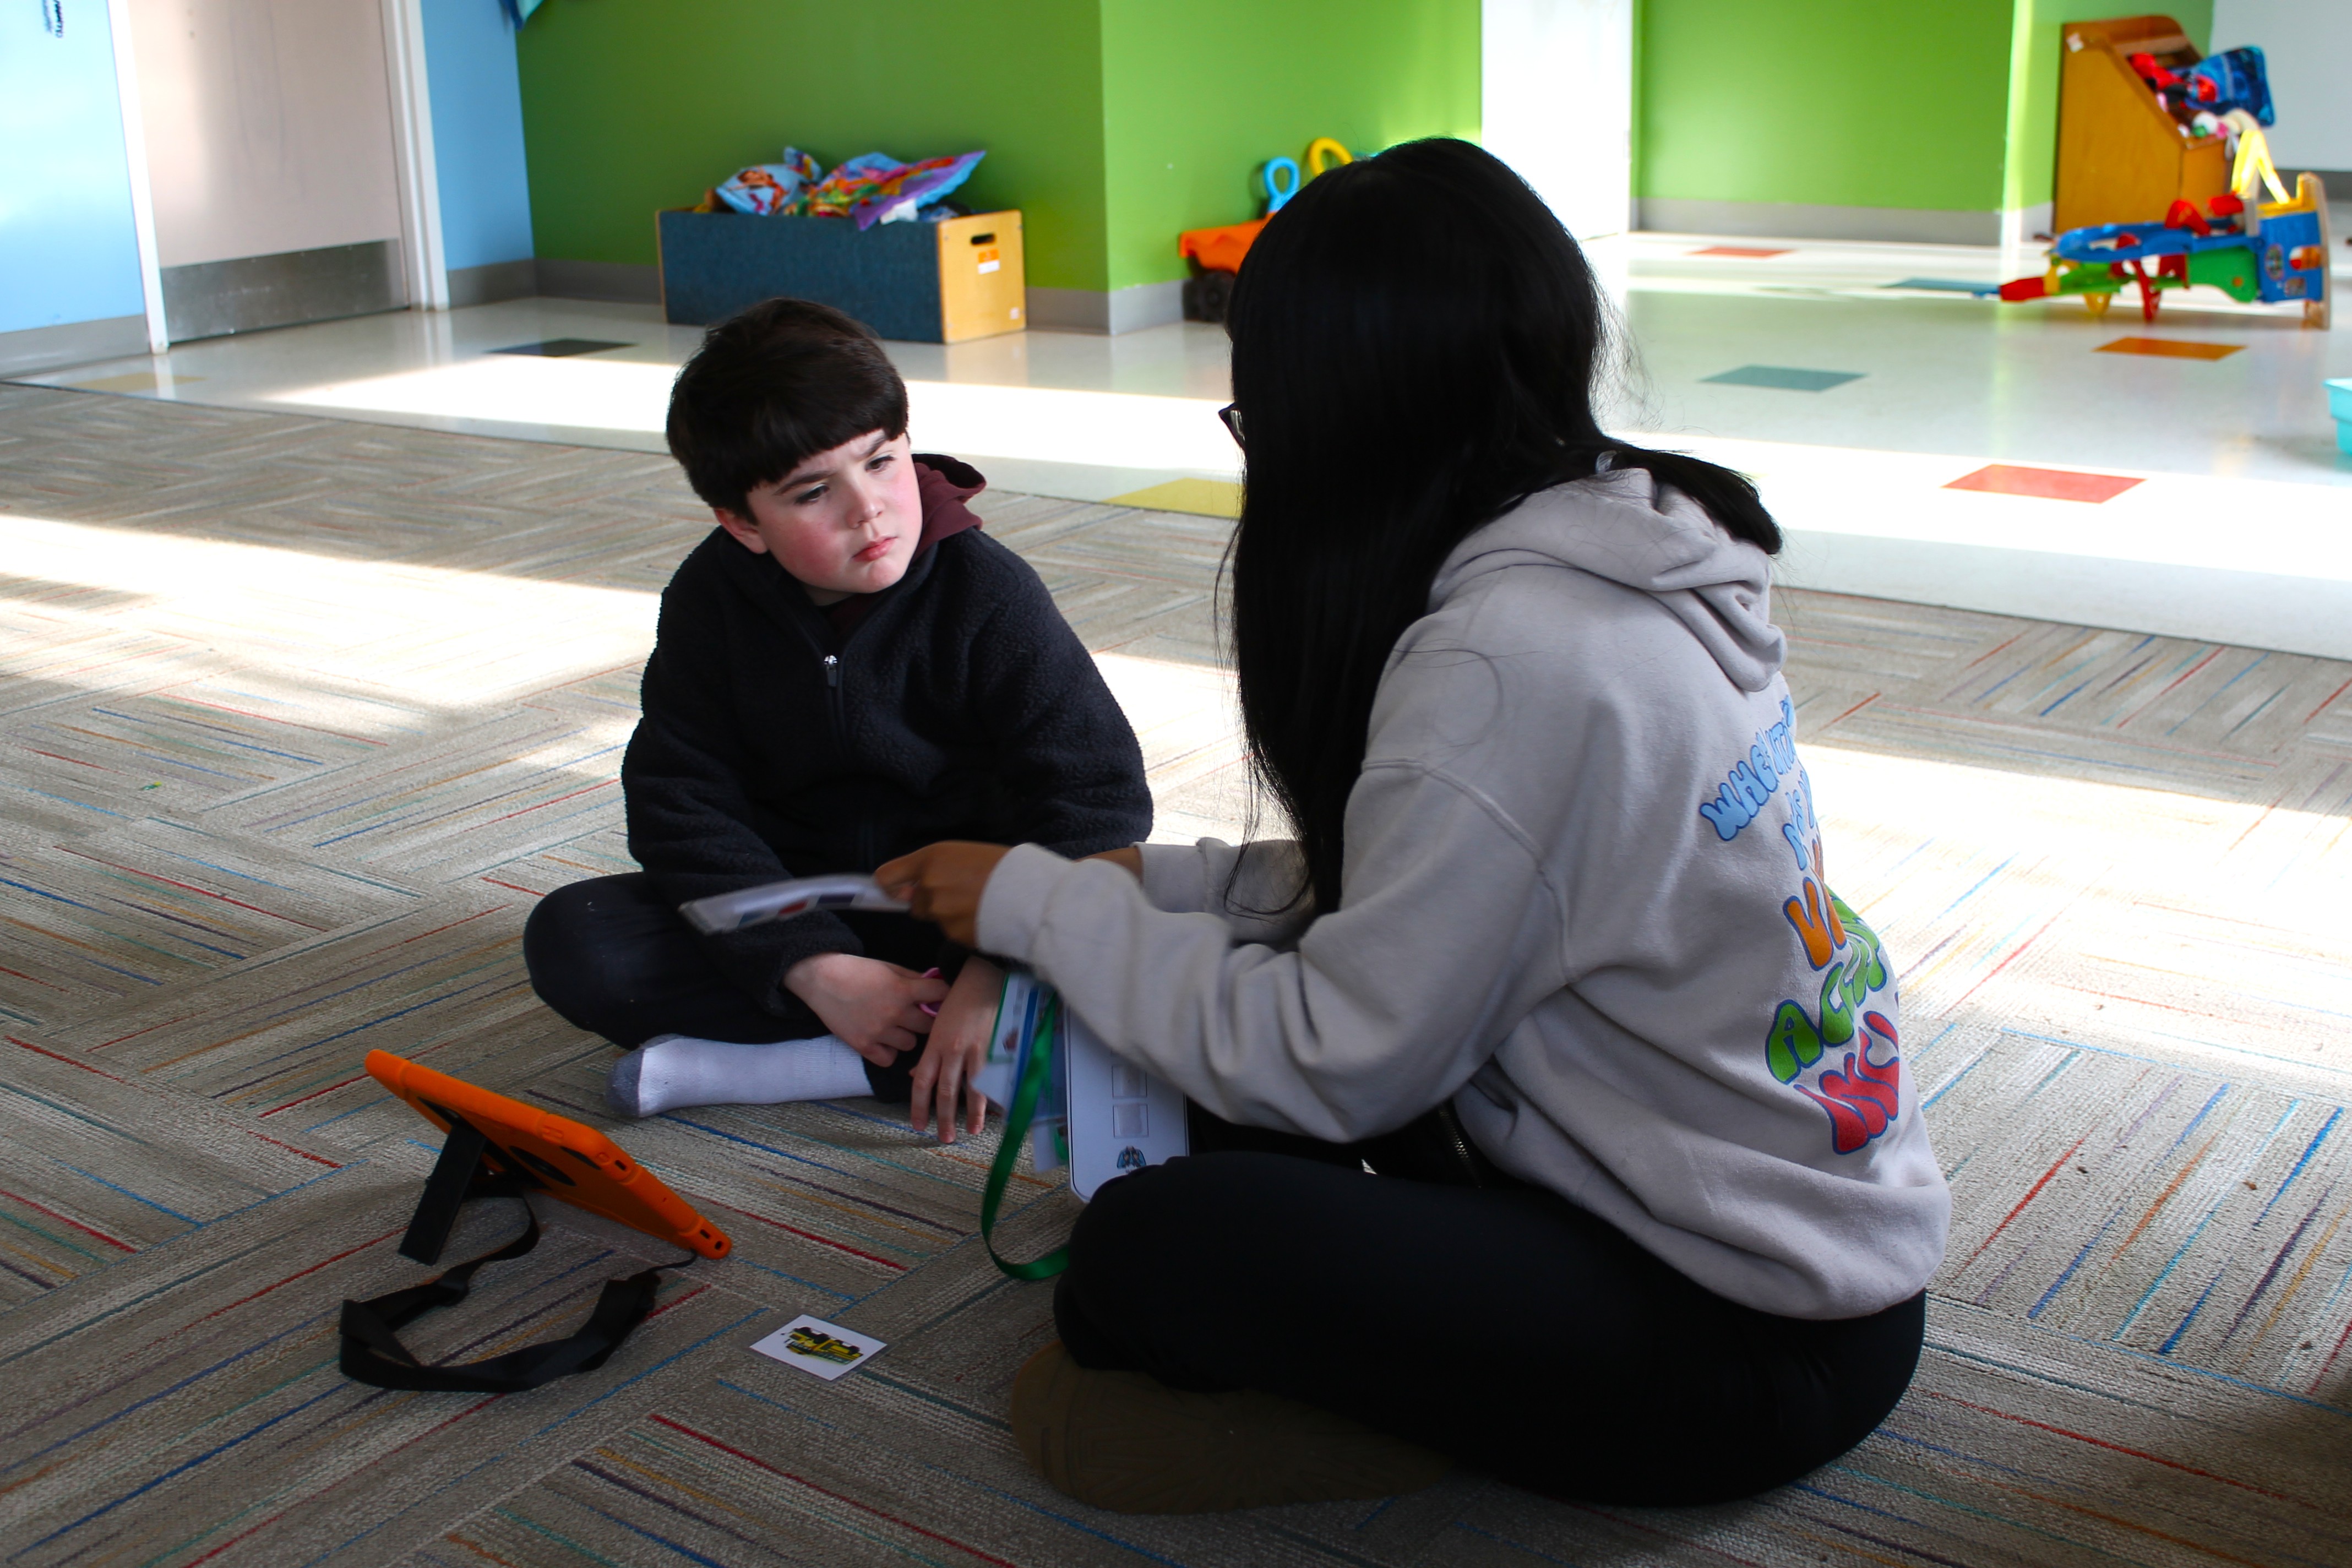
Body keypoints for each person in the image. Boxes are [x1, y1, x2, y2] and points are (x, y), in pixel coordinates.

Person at [877, 139, 1950, 1512]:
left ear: (1334, 428)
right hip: (1727, 1208)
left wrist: (1042, 906)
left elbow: (1342, 1060)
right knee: (1176, 1053)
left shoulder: (1507, 665)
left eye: (1253, 422)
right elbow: (1483, 883)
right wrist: (1165, 879)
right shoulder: (1611, 542)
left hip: (1744, 1323)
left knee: (1146, 1252)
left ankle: (1419, 1441)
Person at [524, 298, 1152, 1142]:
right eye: (814, 492)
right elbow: (681, 803)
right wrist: (817, 968)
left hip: (976, 907)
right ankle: (917, 1046)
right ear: (743, 524)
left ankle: (807, 1065)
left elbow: (1096, 798)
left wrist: (994, 969)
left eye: (882, 462)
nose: (871, 511)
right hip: (799, 904)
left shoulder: (987, 593)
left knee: (1175, 943)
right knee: (579, 941)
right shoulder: (709, 602)